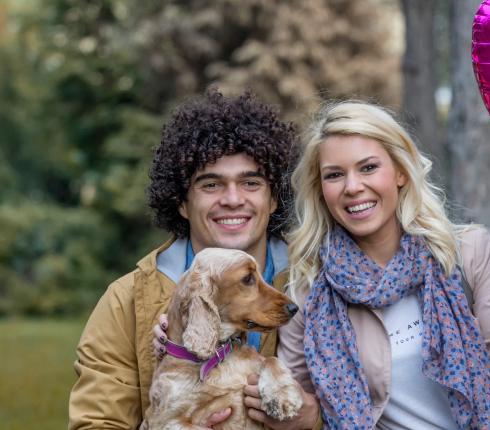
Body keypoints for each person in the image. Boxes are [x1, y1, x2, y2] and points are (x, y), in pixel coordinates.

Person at [271, 101, 490, 429]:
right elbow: (295, 408)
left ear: (401, 172)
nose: (352, 187)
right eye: (334, 175)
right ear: (321, 190)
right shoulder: (306, 292)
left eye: (368, 168)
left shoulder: (468, 253)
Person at [68, 90, 318, 429]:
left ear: (274, 199)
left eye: (250, 182)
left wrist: (313, 419)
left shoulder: (316, 285)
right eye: (211, 184)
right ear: (182, 203)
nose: (232, 199)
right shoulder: (126, 302)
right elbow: (96, 423)